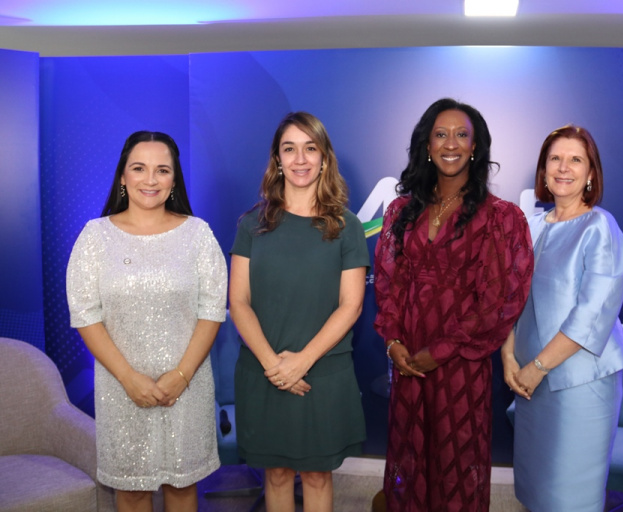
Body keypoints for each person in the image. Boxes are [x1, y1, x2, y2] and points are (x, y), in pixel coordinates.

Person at [373, 98, 534, 511]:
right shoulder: (401, 212)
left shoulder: (501, 218)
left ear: (475, 147)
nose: (451, 143)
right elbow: (389, 284)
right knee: (411, 456)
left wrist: (440, 351)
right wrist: (393, 342)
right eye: (441, 134)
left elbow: (499, 301)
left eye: (462, 135)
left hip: (462, 363)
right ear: (427, 145)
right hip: (409, 361)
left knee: (457, 462)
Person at [66, 131, 227, 512]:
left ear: (174, 180)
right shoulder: (94, 237)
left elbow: (212, 309)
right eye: (139, 168)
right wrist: (128, 378)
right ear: (123, 176)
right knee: (132, 490)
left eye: (162, 170)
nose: (150, 179)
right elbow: (86, 314)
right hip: (121, 387)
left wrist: (181, 376)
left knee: (182, 485)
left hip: (186, 385)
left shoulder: (198, 234)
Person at [229, 112, 368, 512]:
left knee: (317, 476)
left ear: (324, 158)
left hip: (321, 373)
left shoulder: (347, 226)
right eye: (289, 149)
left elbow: (351, 305)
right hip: (264, 371)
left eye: (310, 148)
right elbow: (238, 302)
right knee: (274, 474)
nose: (300, 159)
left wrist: (301, 362)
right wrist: (275, 366)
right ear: (277, 159)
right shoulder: (252, 225)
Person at [502, 124, 623, 512]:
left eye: (575, 159)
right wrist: (509, 358)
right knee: (536, 490)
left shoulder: (600, 228)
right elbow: (507, 301)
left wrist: (538, 367)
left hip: (581, 385)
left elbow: (591, 314)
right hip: (530, 383)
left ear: (591, 173)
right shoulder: (529, 226)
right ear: (543, 170)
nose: (564, 168)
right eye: (555, 159)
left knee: (569, 496)